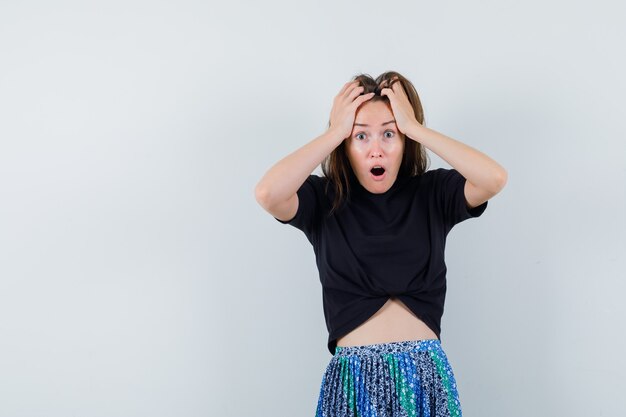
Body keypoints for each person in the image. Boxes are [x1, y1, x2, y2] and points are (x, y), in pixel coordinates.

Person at [254, 71, 507, 417]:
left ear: (405, 140)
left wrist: (415, 127)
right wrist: (334, 132)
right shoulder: (324, 200)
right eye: (361, 136)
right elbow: (268, 194)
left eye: (390, 133)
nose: (376, 150)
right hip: (352, 382)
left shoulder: (431, 194)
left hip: (424, 379)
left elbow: (494, 178)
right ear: (345, 143)